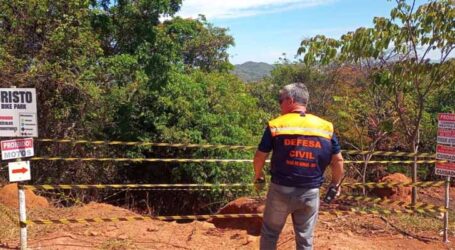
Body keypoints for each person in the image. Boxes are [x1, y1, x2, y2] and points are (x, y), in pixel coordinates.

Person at [253, 82, 344, 250]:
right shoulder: (326, 127)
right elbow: (338, 161)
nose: (280, 105)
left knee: (270, 233)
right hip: (310, 193)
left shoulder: (276, 125)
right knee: (305, 239)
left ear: (290, 100)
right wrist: (335, 185)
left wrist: (258, 176)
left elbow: (260, 157)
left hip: (280, 190)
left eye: (281, 100)